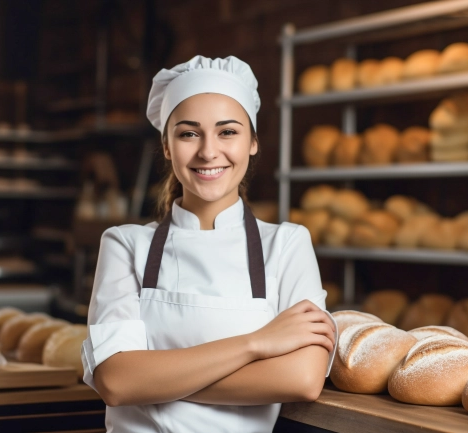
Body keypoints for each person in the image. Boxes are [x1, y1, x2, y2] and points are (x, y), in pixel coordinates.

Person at [81, 55, 338, 433]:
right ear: (167, 147)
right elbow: (117, 382)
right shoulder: (124, 244)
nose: (208, 151)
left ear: (252, 142)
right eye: (188, 133)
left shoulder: (287, 245)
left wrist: (154, 381)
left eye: (228, 132)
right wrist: (257, 343)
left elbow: (301, 379)